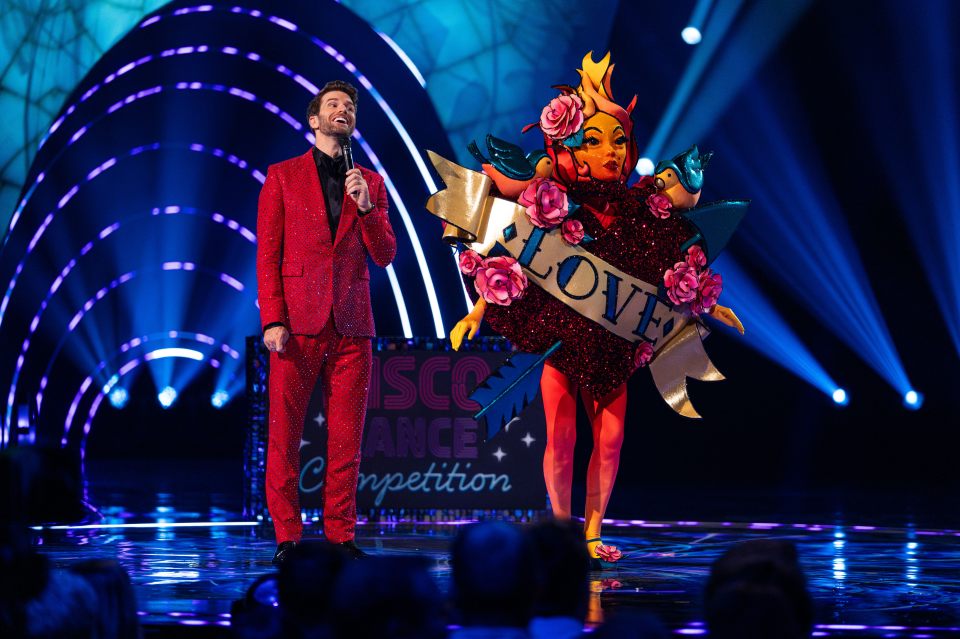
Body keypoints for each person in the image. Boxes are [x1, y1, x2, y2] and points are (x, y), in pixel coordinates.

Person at [449, 53, 743, 568]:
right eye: (594, 140)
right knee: (560, 438)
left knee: (610, 441)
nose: (609, 151)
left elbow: (672, 269)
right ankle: (560, 533)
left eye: (618, 141)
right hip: (560, 334)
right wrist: (476, 311)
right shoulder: (554, 202)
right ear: (570, 149)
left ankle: (591, 532)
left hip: (615, 341)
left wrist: (709, 304)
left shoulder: (642, 208)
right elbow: (515, 259)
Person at [256, 80, 397, 564]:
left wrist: (368, 207)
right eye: (333, 104)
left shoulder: (371, 183)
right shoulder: (282, 176)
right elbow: (268, 253)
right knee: (284, 434)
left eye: (350, 106)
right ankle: (287, 535)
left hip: (353, 323)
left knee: (345, 440)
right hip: (296, 323)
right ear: (314, 120)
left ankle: (340, 534)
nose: (344, 109)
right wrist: (273, 317)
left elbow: (385, 255)